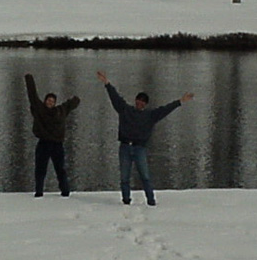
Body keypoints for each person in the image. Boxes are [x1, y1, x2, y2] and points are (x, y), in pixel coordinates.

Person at [96, 70, 194, 206]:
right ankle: (126, 201)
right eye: (138, 100)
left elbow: (165, 109)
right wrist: (106, 83)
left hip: (139, 148)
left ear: (145, 104)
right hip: (125, 147)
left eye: (143, 102)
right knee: (124, 178)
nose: (140, 103)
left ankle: (151, 201)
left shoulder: (150, 116)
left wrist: (181, 101)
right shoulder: (125, 110)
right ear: (135, 100)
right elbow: (115, 97)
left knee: (145, 177)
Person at [25, 73, 81, 198]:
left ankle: (65, 192)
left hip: (57, 144)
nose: (50, 102)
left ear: (55, 103)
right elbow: (32, 94)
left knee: (60, 169)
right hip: (43, 143)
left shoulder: (60, 111)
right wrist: (29, 79)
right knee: (40, 170)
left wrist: (77, 99)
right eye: (48, 100)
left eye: (52, 101)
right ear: (45, 101)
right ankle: (39, 192)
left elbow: (69, 105)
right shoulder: (39, 110)